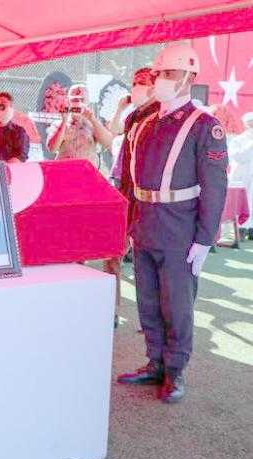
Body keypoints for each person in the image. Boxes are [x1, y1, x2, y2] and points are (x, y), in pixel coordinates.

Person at [116, 44, 228, 403]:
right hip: (146, 224)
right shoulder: (145, 123)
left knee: (176, 306)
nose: (160, 80)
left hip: (181, 230)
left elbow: (215, 186)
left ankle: (175, 370)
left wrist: (204, 239)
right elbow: (131, 181)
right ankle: (155, 363)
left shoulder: (205, 126)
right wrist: (130, 224)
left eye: (169, 74)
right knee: (147, 302)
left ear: (189, 78)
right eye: (158, 74)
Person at [102, 67, 159, 327]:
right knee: (112, 253)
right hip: (123, 191)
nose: (136, 87)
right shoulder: (133, 115)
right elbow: (112, 132)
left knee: (146, 263)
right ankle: (111, 310)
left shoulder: (161, 116)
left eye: (142, 83)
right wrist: (120, 108)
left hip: (146, 200)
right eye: (134, 83)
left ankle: (154, 320)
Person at [46, 84, 113, 171]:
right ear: (68, 101)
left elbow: (108, 143)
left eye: (82, 99)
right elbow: (52, 148)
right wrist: (64, 122)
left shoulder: (93, 124)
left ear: (87, 102)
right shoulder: (59, 124)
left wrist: (92, 119)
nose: (78, 103)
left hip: (87, 172)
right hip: (65, 172)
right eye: (74, 99)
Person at [229, 112, 253, 239]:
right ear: (246, 124)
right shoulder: (237, 140)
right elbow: (240, 157)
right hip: (241, 178)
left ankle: (251, 230)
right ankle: (241, 230)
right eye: (251, 122)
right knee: (241, 204)